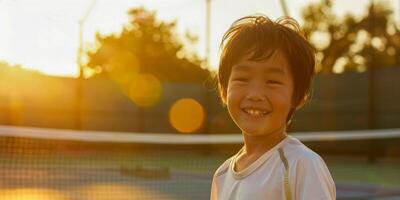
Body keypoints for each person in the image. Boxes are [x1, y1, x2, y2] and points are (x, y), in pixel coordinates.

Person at [210, 15, 336, 200]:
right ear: (223, 90)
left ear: (299, 96)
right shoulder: (221, 176)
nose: (255, 94)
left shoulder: (302, 166)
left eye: (272, 82)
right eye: (242, 79)